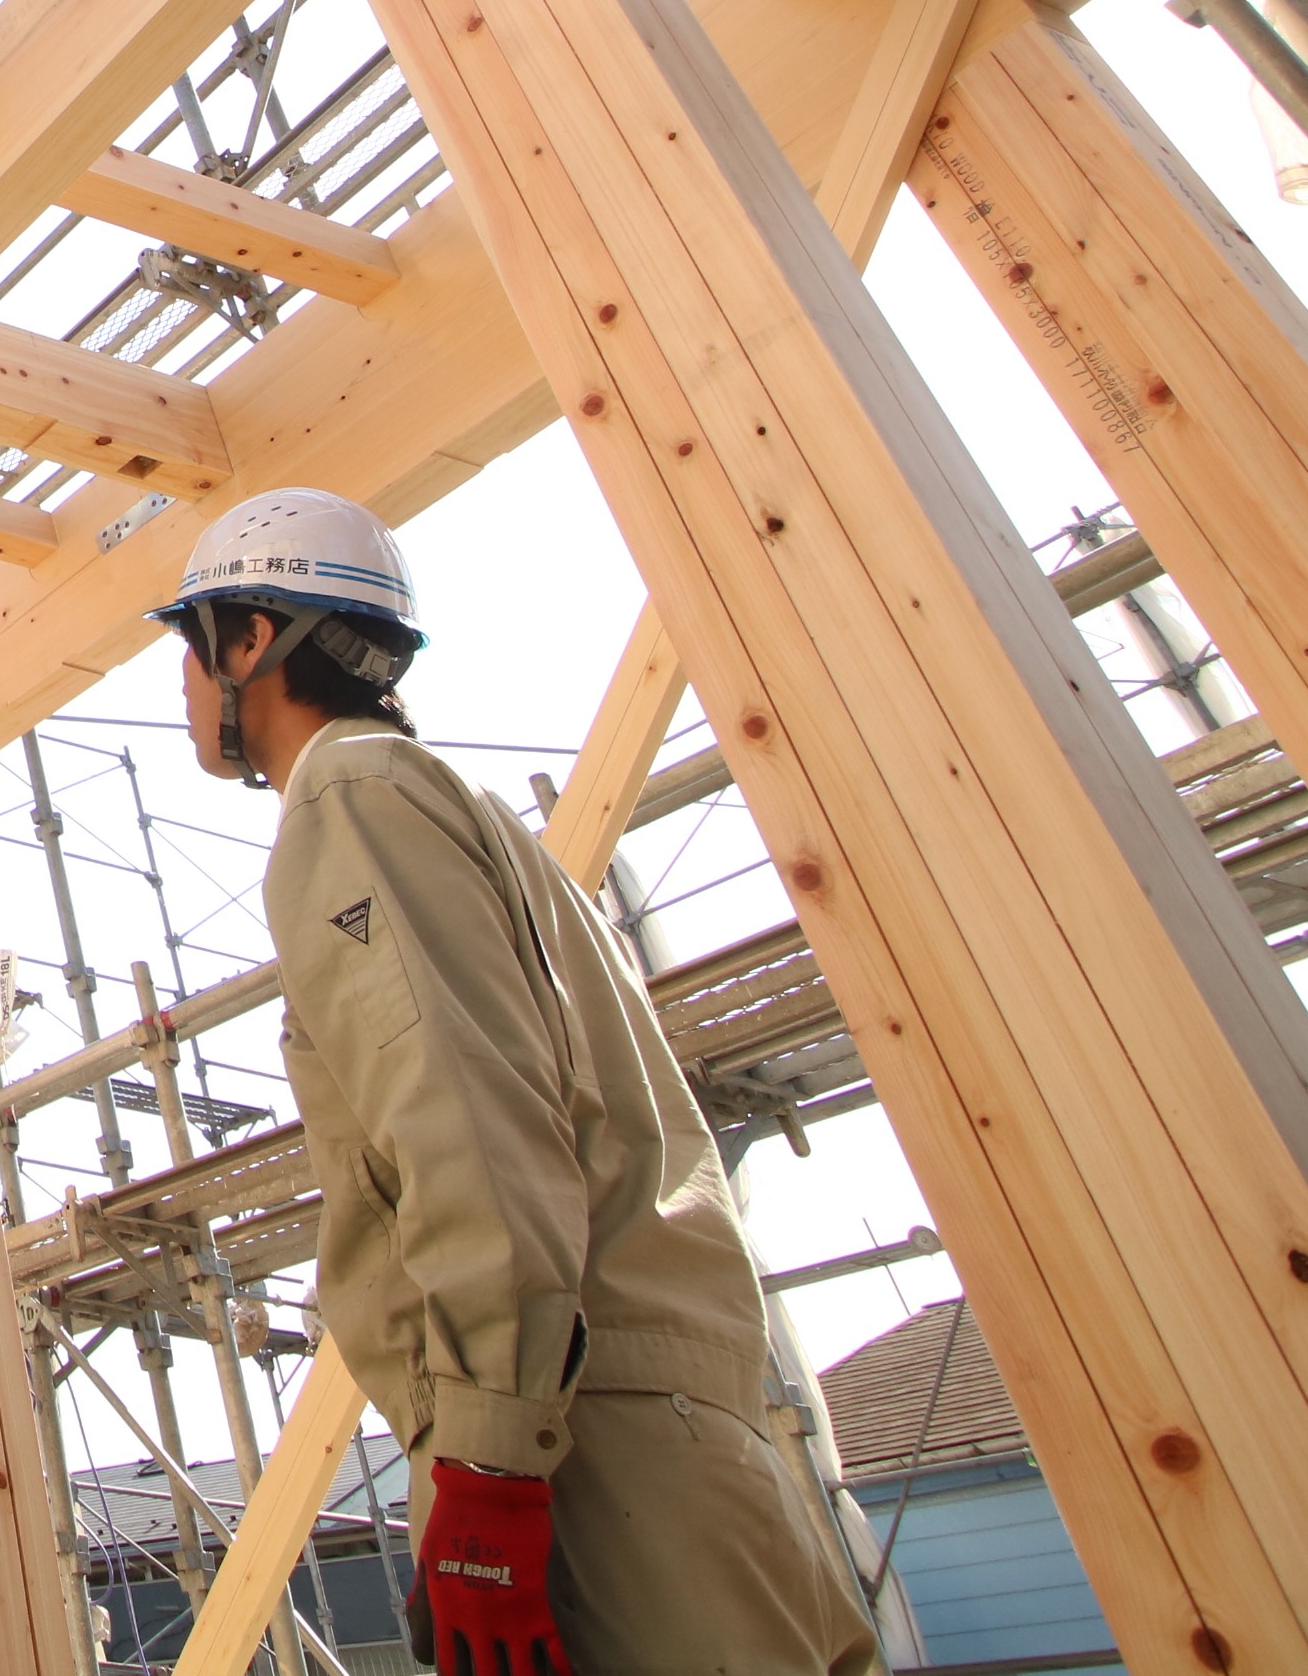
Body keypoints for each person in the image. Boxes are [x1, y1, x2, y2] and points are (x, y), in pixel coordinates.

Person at [151, 489, 879, 1676]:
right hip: (657, 1425)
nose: (183, 683)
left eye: (193, 644)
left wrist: (488, 1463)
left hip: (580, 1440)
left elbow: (471, 1123)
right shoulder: (460, 811)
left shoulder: (352, 798)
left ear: (251, 641)